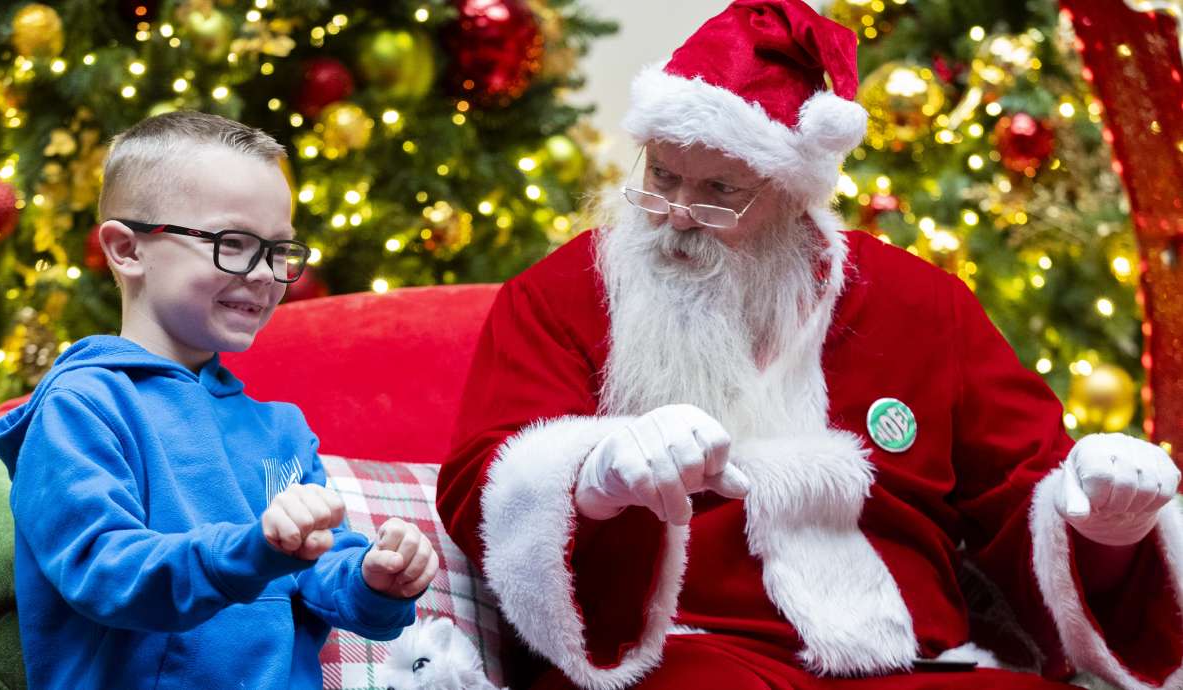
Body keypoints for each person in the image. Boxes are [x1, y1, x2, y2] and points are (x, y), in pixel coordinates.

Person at [436, 2, 1183, 689]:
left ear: (794, 195)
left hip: (916, 663)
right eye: (662, 175)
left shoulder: (921, 305)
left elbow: (1026, 486)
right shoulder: (563, 294)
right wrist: (591, 478)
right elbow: (486, 474)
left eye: (721, 191)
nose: (678, 214)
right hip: (693, 650)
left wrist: (1104, 523)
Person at [0, 111, 439, 689]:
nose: (265, 274)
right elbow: (105, 573)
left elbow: (322, 571)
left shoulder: (281, 431)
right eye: (234, 243)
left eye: (278, 250)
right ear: (127, 250)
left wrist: (374, 580)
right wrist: (255, 551)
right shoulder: (82, 405)